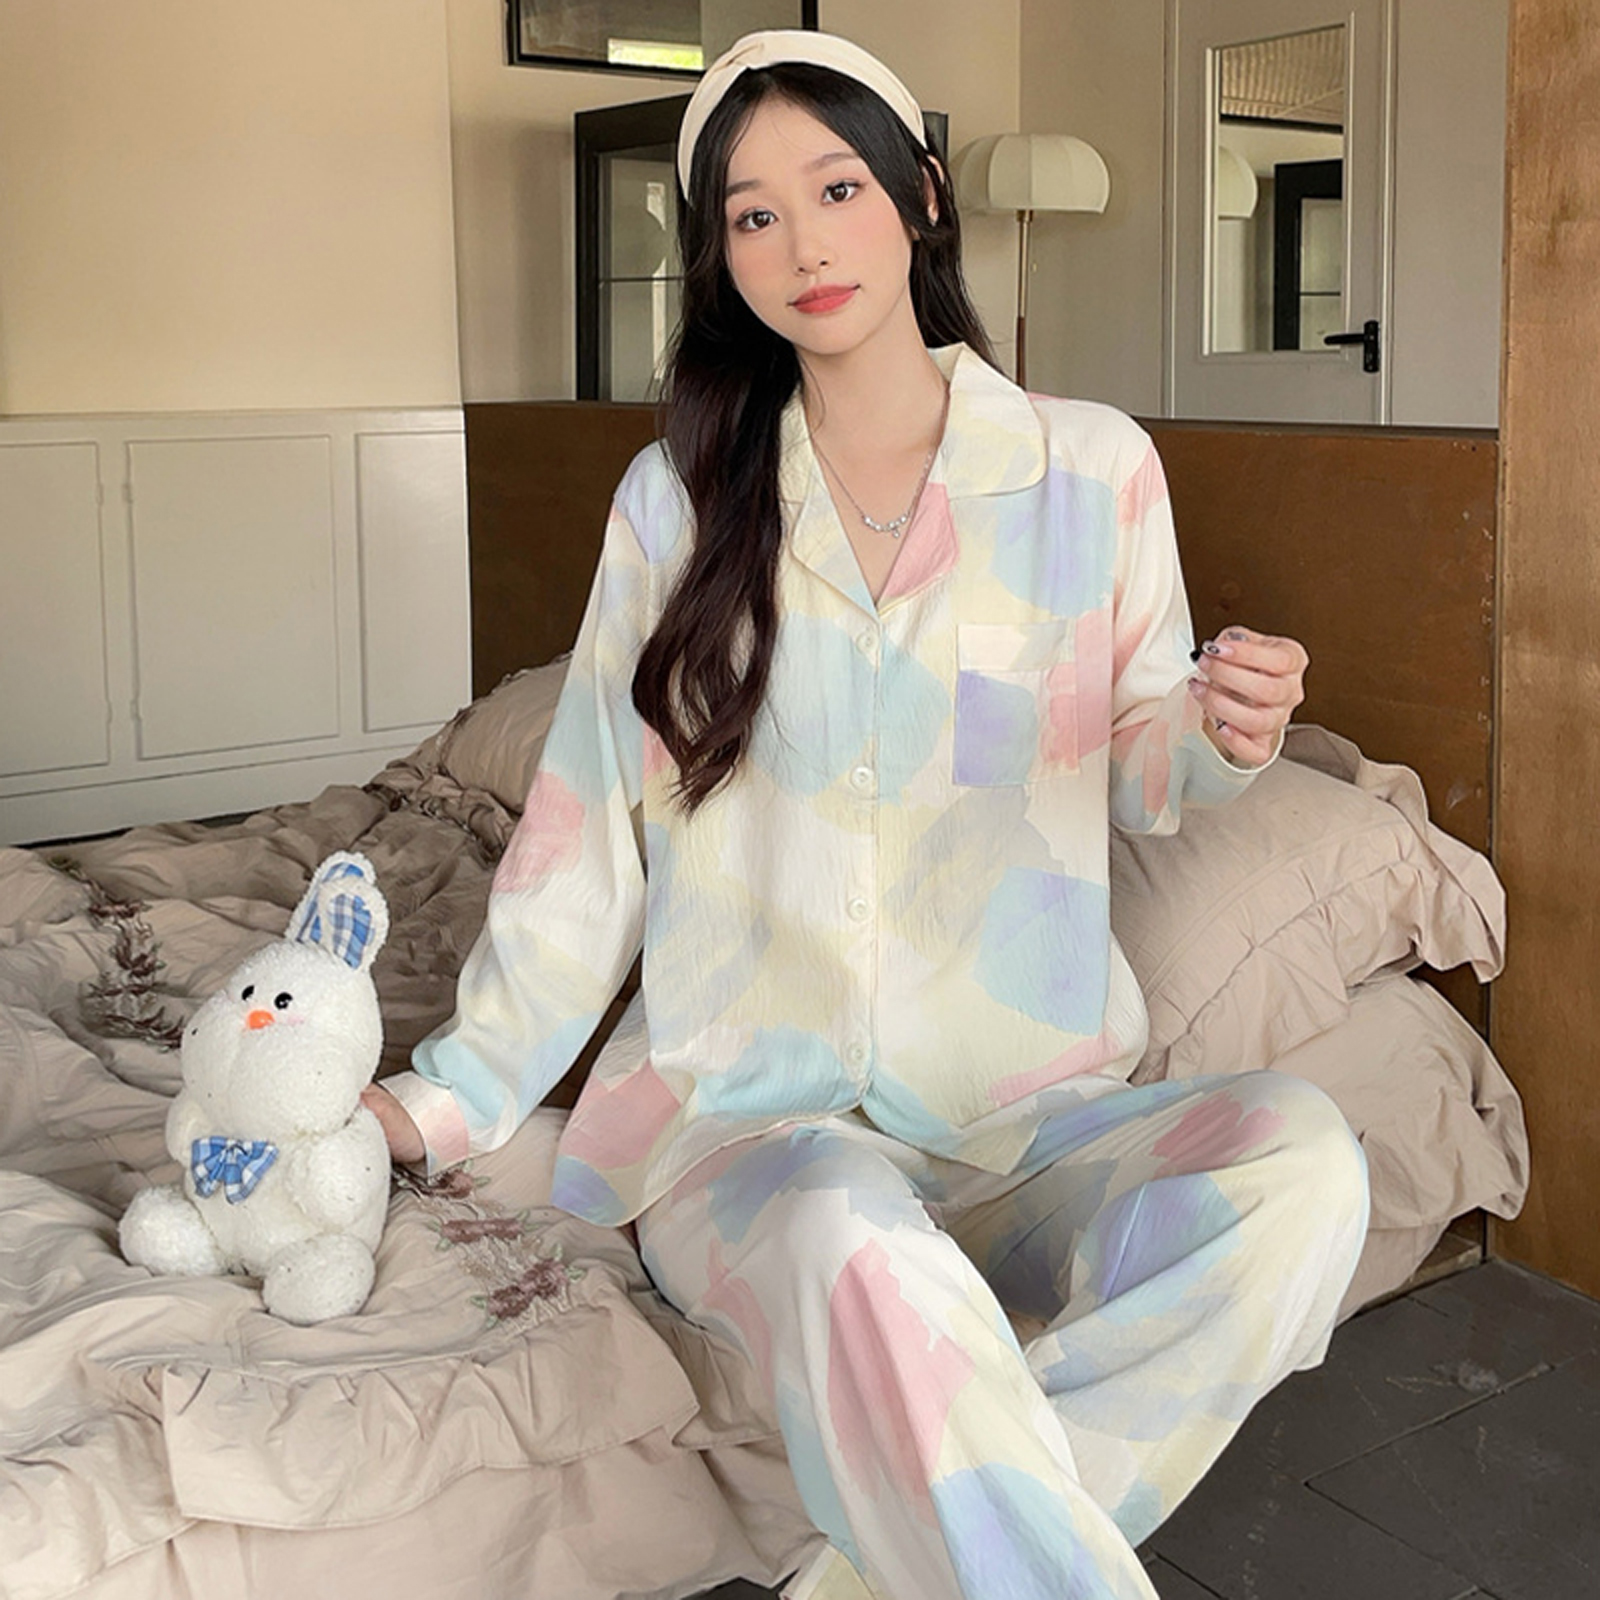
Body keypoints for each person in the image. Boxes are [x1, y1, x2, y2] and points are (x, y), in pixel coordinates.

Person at [363, 30, 1368, 1600]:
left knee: (1305, 1164)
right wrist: (448, 1098)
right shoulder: (677, 501)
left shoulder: (1090, 470)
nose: (805, 245)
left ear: (922, 196)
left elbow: (1140, 771)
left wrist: (1225, 732)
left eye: (836, 189)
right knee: (853, 1237)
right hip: (751, 1129)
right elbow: (584, 835)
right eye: (753, 215)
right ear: (719, 257)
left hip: (1025, 1113)